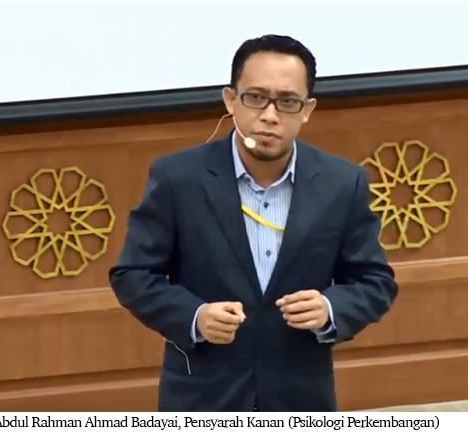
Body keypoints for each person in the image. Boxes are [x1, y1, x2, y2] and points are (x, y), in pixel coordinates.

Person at [109, 34, 398, 412]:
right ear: (231, 100)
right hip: (202, 396)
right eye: (256, 97)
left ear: (307, 109)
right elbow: (132, 274)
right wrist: (194, 317)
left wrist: (330, 308)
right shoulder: (178, 177)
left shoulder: (342, 183)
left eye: (288, 102)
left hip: (300, 397)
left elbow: (375, 282)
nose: (270, 116)